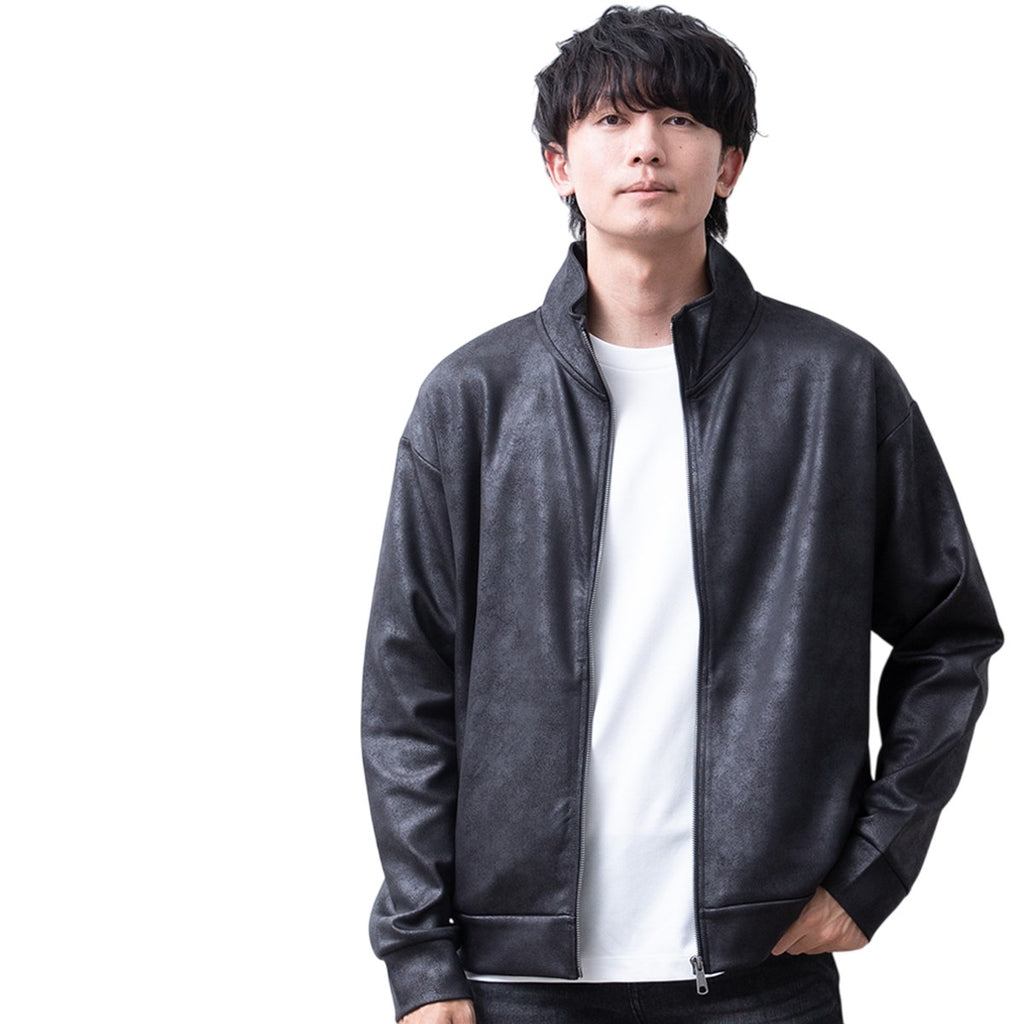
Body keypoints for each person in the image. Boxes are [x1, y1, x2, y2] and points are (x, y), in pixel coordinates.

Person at [361, 6, 1002, 1022]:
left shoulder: (836, 386)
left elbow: (949, 635)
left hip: (760, 971)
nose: (646, 147)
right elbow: (408, 691)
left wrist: (874, 867)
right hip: (516, 979)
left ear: (729, 164)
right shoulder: (474, 399)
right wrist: (419, 956)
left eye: (679, 118)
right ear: (557, 164)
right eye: (612, 120)